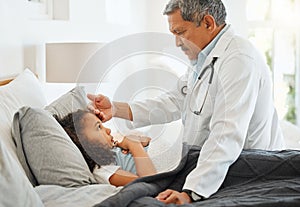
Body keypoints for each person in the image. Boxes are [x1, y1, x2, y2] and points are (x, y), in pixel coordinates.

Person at [87, 0, 285, 204]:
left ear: (208, 23)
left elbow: (226, 133)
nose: (177, 42)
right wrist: (116, 108)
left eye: (180, 32)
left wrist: (191, 192)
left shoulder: (239, 60)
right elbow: (173, 102)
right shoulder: (203, 58)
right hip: (211, 166)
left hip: (249, 166)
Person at [54, 109, 157, 187]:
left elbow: (145, 141)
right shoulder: (103, 170)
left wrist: (141, 141)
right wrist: (134, 145)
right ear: (82, 142)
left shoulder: (113, 150)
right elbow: (149, 181)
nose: (108, 130)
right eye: (99, 127)